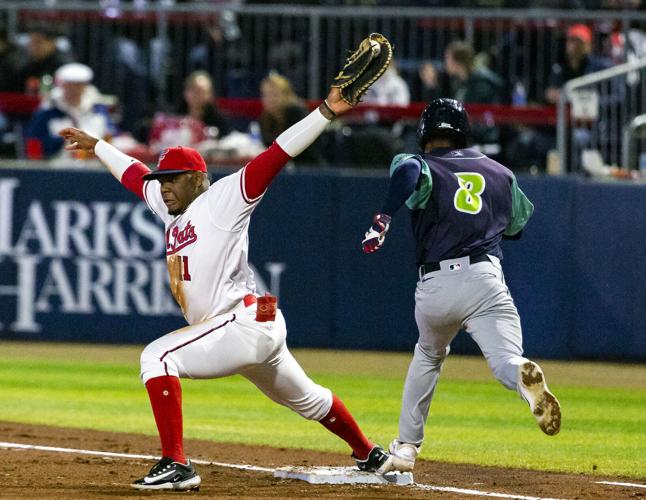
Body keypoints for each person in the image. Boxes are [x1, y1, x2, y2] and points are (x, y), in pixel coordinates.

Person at [58, 74, 393, 491]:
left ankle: (176, 464)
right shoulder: (169, 207)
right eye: (161, 180)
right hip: (252, 322)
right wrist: (99, 146)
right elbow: (134, 174)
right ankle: (370, 454)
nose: (163, 186)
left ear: (197, 178)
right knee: (307, 397)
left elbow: (277, 152)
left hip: (243, 320)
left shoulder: (224, 198)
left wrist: (324, 112)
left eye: (173, 178)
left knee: (157, 357)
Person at [360, 98, 561, 473]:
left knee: (429, 354)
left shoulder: (420, 163)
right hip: (485, 279)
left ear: (424, 133)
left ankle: (405, 449)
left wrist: (384, 215)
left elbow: (405, 174)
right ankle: (521, 374)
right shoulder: (501, 173)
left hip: (436, 283)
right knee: (505, 359)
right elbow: (516, 226)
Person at [25, 63, 117, 160]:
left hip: (94, 168)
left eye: (78, 86)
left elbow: (112, 134)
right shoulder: (48, 111)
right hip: (57, 168)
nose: (74, 90)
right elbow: (35, 143)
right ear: (62, 85)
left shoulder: (98, 110)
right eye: (70, 86)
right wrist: (64, 141)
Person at [259, 72, 323, 165]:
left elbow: (303, 147)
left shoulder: (297, 112)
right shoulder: (265, 117)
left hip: (308, 167)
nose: (270, 99)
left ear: (286, 95)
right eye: (265, 95)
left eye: (274, 94)